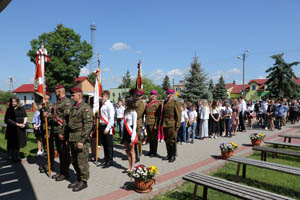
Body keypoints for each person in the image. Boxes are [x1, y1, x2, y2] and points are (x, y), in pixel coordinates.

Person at [67, 87, 93, 192]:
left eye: (73, 95)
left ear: (79, 95)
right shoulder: (74, 107)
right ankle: (78, 178)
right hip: (72, 137)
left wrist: (82, 140)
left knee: (82, 161)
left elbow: (88, 125)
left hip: (80, 138)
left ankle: (84, 181)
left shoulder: (85, 107)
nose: (72, 97)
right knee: (74, 161)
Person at [51, 85, 72, 181]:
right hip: (56, 130)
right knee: (60, 152)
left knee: (64, 153)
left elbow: (67, 119)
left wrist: (63, 133)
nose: (55, 91)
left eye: (56, 90)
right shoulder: (57, 102)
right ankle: (62, 170)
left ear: (60, 91)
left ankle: (66, 173)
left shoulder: (66, 102)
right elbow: (55, 115)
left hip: (62, 131)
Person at [160, 89, 181, 163]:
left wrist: (178, 125)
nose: (167, 95)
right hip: (165, 123)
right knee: (167, 140)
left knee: (172, 140)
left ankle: (173, 155)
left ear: (172, 94)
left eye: (168, 93)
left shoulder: (175, 103)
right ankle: (168, 154)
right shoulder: (165, 102)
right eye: (167, 93)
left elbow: (179, 115)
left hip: (172, 123)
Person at [5, 97, 28, 162]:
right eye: (12, 102)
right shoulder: (9, 110)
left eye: (14, 101)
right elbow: (7, 119)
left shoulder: (21, 108)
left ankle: (17, 155)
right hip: (12, 128)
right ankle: (11, 155)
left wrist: (24, 123)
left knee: (19, 142)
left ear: (17, 102)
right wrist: (17, 124)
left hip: (20, 128)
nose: (13, 103)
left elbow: (25, 116)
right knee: (12, 142)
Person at [99, 90, 115, 168]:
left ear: (107, 97)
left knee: (109, 145)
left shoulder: (109, 105)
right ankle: (106, 159)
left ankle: (110, 161)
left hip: (107, 126)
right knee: (104, 144)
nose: (101, 97)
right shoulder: (103, 105)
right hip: (102, 125)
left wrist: (107, 128)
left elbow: (111, 118)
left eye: (102, 96)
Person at [121, 96, 137, 172]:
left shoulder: (134, 112)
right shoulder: (125, 111)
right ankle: (129, 166)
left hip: (131, 131)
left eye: (126, 101)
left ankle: (133, 167)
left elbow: (135, 125)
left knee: (132, 151)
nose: (125, 102)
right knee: (127, 150)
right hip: (125, 131)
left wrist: (133, 136)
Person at [144, 90, 160, 157]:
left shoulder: (157, 103)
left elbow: (158, 115)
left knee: (154, 138)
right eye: (150, 94)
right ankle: (150, 150)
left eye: (152, 94)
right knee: (150, 137)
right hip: (148, 121)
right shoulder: (148, 103)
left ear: (155, 95)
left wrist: (156, 124)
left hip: (153, 122)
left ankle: (154, 152)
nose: (151, 95)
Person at [135, 89, 145, 162]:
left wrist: (133, 117)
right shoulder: (135, 102)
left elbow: (139, 113)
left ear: (141, 96)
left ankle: (138, 154)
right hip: (133, 122)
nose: (137, 96)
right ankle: (134, 154)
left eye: (139, 95)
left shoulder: (141, 103)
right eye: (137, 95)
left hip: (138, 122)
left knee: (138, 138)